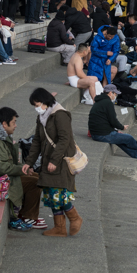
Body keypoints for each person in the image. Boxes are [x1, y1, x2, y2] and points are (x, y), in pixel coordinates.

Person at [0, 107, 46, 231]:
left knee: (35, 176)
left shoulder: (2, 136)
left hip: (1, 175)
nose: (16, 126)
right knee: (35, 182)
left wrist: (24, 168)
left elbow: (8, 164)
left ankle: (27, 214)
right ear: (4, 124)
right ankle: (26, 216)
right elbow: (1, 168)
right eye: (13, 122)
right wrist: (22, 170)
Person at [27, 87, 83, 237]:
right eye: (34, 105)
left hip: (61, 161)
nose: (36, 108)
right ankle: (60, 227)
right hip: (48, 161)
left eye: (37, 104)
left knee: (60, 194)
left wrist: (54, 160)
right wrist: (29, 162)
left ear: (45, 101)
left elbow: (65, 139)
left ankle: (75, 218)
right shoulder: (41, 117)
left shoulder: (60, 115)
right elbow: (37, 140)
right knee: (51, 195)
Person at [88, 84, 137, 161]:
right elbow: (113, 120)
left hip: (96, 133)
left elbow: (105, 121)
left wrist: (115, 131)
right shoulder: (108, 103)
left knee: (121, 141)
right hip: (101, 134)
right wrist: (122, 127)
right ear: (110, 93)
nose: (116, 96)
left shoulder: (99, 101)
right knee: (129, 138)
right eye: (115, 94)